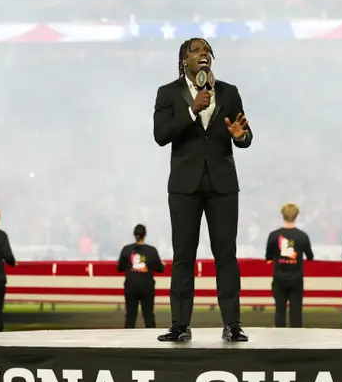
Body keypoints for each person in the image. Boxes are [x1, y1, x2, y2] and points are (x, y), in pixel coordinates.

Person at [153, 37, 253, 342]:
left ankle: (232, 324)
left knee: (226, 254)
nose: (203, 54)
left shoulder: (229, 92)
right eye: (196, 50)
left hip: (222, 184)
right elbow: (160, 135)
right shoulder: (168, 93)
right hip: (185, 186)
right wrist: (192, 110)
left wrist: (240, 136)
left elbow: (244, 134)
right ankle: (180, 324)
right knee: (183, 255)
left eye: (207, 50)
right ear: (184, 59)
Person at [265, 203, 314, 328]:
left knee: (279, 311)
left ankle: (279, 342)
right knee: (296, 313)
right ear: (297, 215)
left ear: (282, 215)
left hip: (279, 279)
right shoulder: (303, 236)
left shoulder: (274, 235)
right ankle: (296, 343)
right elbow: (310, 257)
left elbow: (268, 256)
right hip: (296, 279)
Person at [117, 224, 165, 329]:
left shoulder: (126, 250)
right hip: (147, 287)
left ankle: (127, 342)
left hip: (131, 286)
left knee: (130, 316)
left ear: (134, 235)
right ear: (145, 234)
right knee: (148, 316)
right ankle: (153, 341)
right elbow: (160, 269)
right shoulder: (151, 251)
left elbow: (120, 268)